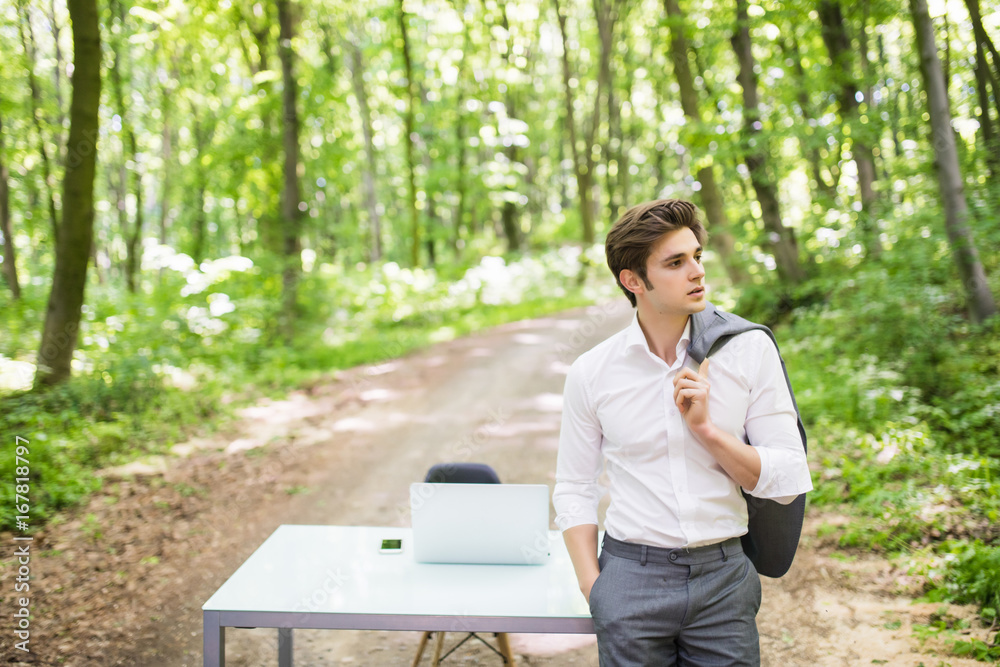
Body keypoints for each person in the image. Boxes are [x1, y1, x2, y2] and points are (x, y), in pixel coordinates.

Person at [552, 198, 813, 666]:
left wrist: (708, 431)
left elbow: (790, 477)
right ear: (633, 281)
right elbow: (574, 485)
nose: (697, 272)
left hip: (724, 580)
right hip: (630, 579)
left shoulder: (748, 349)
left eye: (697, 257)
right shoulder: (592, 372)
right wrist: (594, 586)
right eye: (676, 262)